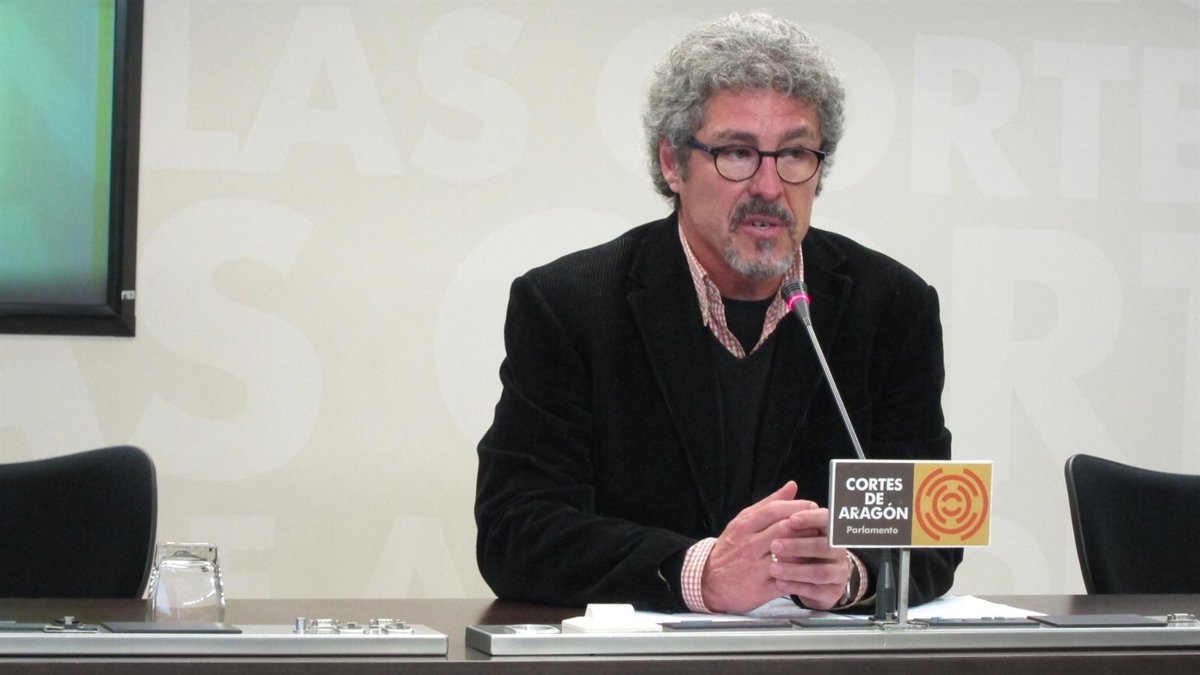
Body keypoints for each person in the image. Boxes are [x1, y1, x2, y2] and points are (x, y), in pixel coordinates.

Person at [475, 11, 960, 614]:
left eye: (794, 154)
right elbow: (517, 530)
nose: (769, 186)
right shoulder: (572, 306)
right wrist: (698, 573)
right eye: (737, 153)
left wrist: (854, 575)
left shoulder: (890, 307)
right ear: (672, 163)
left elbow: (931, 532)